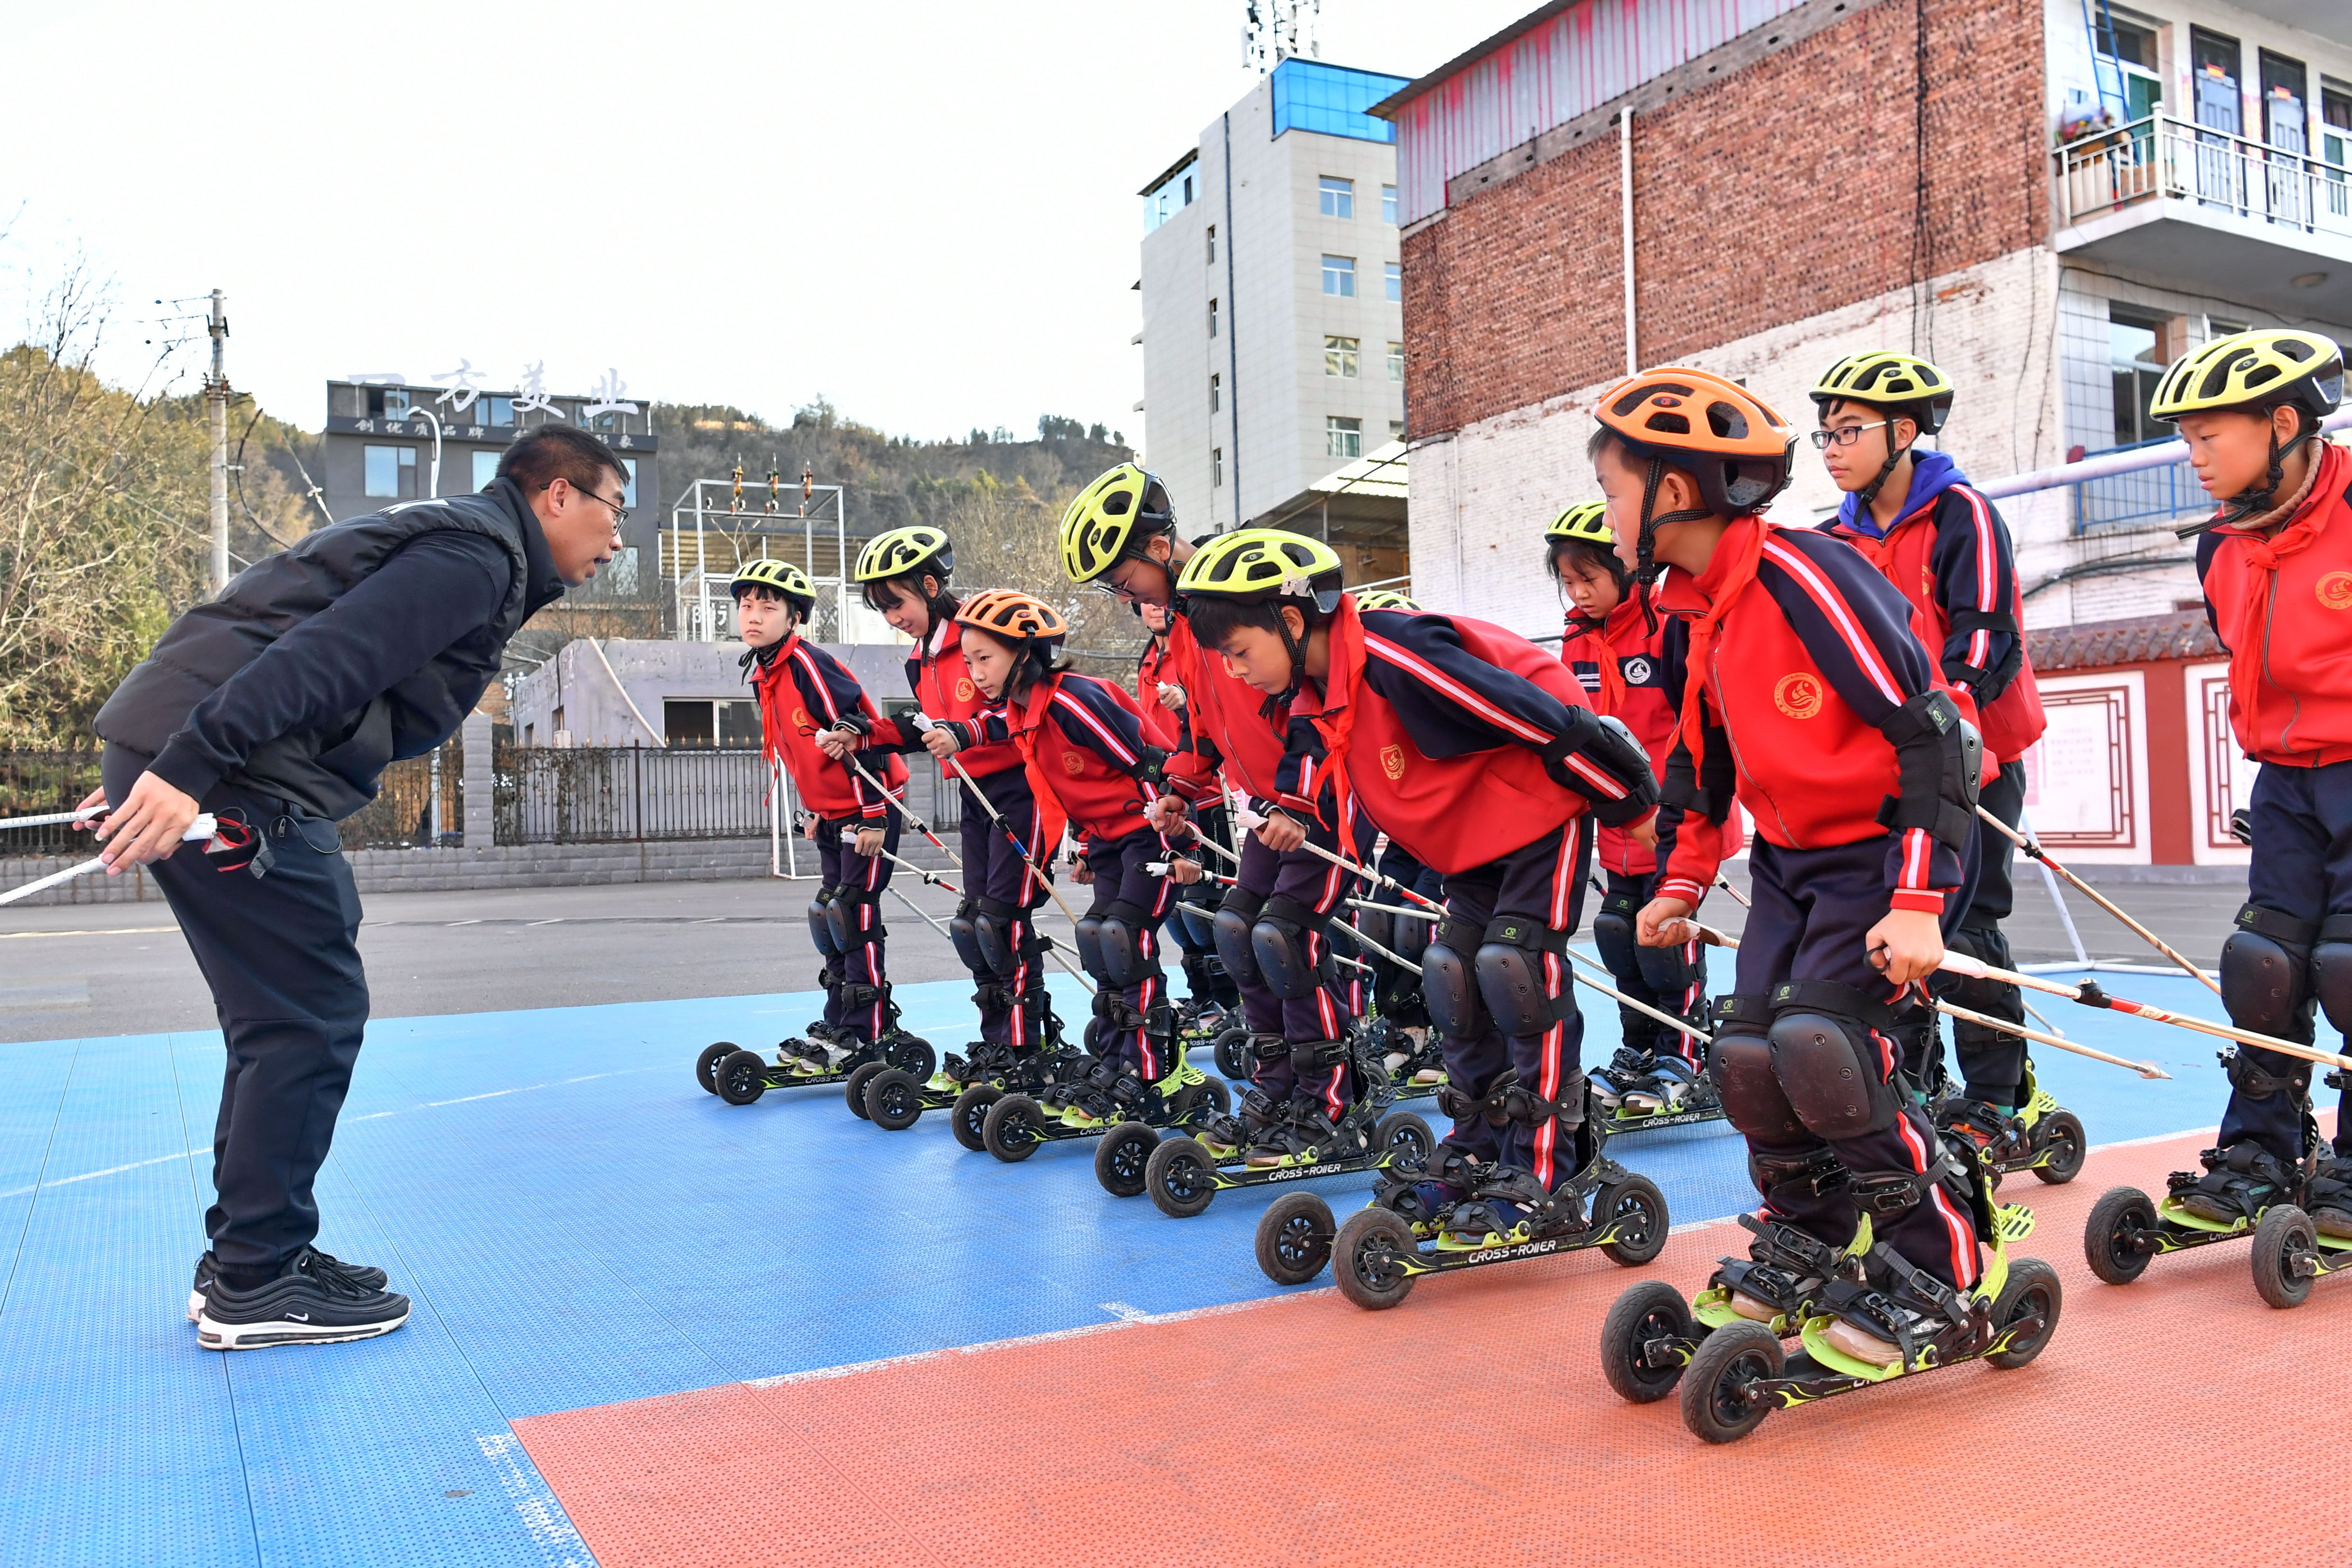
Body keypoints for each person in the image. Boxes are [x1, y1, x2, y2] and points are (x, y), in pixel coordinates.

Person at [84, 423, 624, 1350]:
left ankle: (253, 1256)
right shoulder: (474, 556)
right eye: (615, 510)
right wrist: (184, 761)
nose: (618, 539)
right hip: (239, 768)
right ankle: (256, 1276)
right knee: (309, 1011)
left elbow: (271, 622)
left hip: (215, 754)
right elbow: (323, 655)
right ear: (558, 496)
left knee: (277, 1016)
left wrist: (154, 751)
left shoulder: (469, 547)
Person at [1607, 366, 1986, 1368]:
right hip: (1788, 862)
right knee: (1743, 1057)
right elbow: (1701, 766)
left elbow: (1933, 739)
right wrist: (1683, 880)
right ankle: (1816, 1232)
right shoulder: (1695, 611)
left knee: (1826, 1047)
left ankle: (1940, 1269)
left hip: (1881, 853)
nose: (1606, 513)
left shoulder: (1802, 574)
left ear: (1675, 493)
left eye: (1615, 491)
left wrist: (1917, 898)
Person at [1179, 527, 1659, 1243]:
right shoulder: (1313, 693)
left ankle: (1545, 1165)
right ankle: (1473, 1143)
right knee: (1454, 978)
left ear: (1288, 619)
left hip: (1539, 815)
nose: (1235, 670)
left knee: (1517, 968)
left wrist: (1633, 805)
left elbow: (1542, 720)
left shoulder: (1394, 652)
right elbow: (1311, 762)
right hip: (1467, 839)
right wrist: (1293, 810)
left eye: (1239, 651)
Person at [1058, 465, 1369, 1166]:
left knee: (1286, 939)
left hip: (1322, 802)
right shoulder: (1186, 628)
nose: (1121, 592)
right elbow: (1203, 726)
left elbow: (1314, 703)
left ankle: (1330, 1102)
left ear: (1159, 546)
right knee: (1238, 932)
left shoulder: (1235, 601)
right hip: (1265, 811)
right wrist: (1180, 786)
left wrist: (1296, 799)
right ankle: (1277, 1090)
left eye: (1122, 574)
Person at [1809, 352, 2046, 1145]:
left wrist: (1946, 739)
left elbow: (1983, 640)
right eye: (1823, 434)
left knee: (1963, 930)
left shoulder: (1960, 515)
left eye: (1847, 432)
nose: (1831, 448)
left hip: (1973, 756)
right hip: (1886, 768)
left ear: (1901, 431)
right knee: (1891, 931)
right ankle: (1913, 1083)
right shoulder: (1829, 538)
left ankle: (1999, 1097)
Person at [2162, 328, 2352, 1237]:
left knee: (2349, 967)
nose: (2193, 459)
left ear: (2283, 422)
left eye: (2210, 437)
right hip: (2283, 778)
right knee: (2263, 966)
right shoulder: (2219, 544)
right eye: (2186, 441)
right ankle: (2260, 1149)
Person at [929, 590, 1183, 1128]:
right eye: (968, 660)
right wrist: (1088, 844)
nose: (975, 673)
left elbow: (1148, 766)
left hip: (1151, 834)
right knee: (1097, 936)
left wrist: (1176, 841)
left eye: (985, 658)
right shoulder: (1024, 710)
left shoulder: (1073, 700)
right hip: (1111, 841)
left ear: (1026, 652)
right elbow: (1041, 765)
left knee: (1124, 938)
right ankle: (1115, 1060)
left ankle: (1152, 1070)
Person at [829, 526, 1060, 1076]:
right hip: (975, 799)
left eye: (897, 604)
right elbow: (922, 727)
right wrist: (860, 733)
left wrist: (967, 732)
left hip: (1021, 791)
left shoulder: (982, 637)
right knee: (973, 923)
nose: (892, 617)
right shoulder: (920, 659)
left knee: (1002, 920)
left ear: (930, 585)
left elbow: (1021, 708)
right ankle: (998, 1041)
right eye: (881, 609)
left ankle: (1029, 1044)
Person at [1547, 501, 1724, 1113]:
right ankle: (1641, 1050)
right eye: (1567, 581)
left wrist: (1686, 812)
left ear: (1625, 570)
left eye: (1588, 578)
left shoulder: (1664, 623)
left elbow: (1700, 725)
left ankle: (1688, 1052)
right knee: (1621, 934)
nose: (1577, 592)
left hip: (1674, 820)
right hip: (1616, 826)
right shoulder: (1574, 640)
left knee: (1668, 938)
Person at [734, 558, 911, 1073]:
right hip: (832, 812)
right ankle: (839, 1020)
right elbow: (796, 749)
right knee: (828, 915)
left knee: (853, 912)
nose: (754, 615)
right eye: (747, 605)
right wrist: (814, 809)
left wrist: (874, 817)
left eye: (768, 606)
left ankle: (866, 1031)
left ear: (793, 618)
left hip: (869, 803)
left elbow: (860, 734)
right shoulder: (764, 673)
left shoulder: (808, 665)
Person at [1134, 595, 1239, 1022]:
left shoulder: (1195, 645)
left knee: (1208, 904)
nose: (1152, 607)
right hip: (1166, 790)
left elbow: (1217, 702)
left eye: (1156, 600)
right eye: (1142, 601)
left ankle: (1229, 1000)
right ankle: (1202, 994)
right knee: (1177, 905)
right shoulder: (1148, 660)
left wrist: (1185, 695)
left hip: (1208, 791)